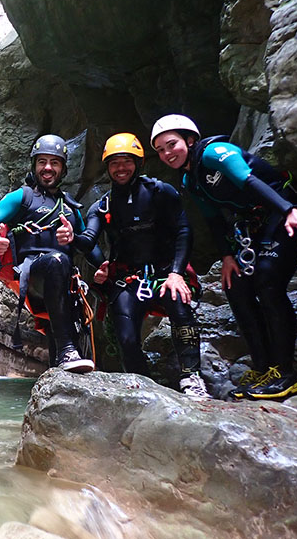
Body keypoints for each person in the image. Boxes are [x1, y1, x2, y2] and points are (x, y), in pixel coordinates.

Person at [151, 114, 297, 400]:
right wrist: (227, 256)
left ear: (190, 140)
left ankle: (287, 373)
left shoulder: (214, 153)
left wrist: (289, 210)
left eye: (171, 144)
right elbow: (213, 220)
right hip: (260, 224)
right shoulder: (191, 178)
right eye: (160, 150)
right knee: (235, 285)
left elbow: (248, 181)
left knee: (268, 281)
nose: (167, 153)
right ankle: (264, 366)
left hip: (285, 210)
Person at [67, 132, 210, 399]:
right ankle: (141, 381)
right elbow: (89, 241)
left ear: (139, 163)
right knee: (126, 337)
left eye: (127, 161)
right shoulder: (103, 205)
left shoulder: (161, 192)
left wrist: (177, 273)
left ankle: (191, 376)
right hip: (129, 279)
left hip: (165, 273)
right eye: (114, 163)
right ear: (107, 167)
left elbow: (183, 231)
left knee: (180, 308)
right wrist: (75, 240)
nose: (121, 168)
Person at [0, 135, 98, 373]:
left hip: (62, 279)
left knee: (64, 328)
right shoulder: (22, 197)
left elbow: (88, 245)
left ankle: (61, 374)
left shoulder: (70, 208)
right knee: (57, 261)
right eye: (42, 161)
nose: (48, 168)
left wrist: (103, 267)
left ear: (63, 169)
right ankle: (67, 351)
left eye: (54, 162)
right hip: (31, 273)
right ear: (34, 165)